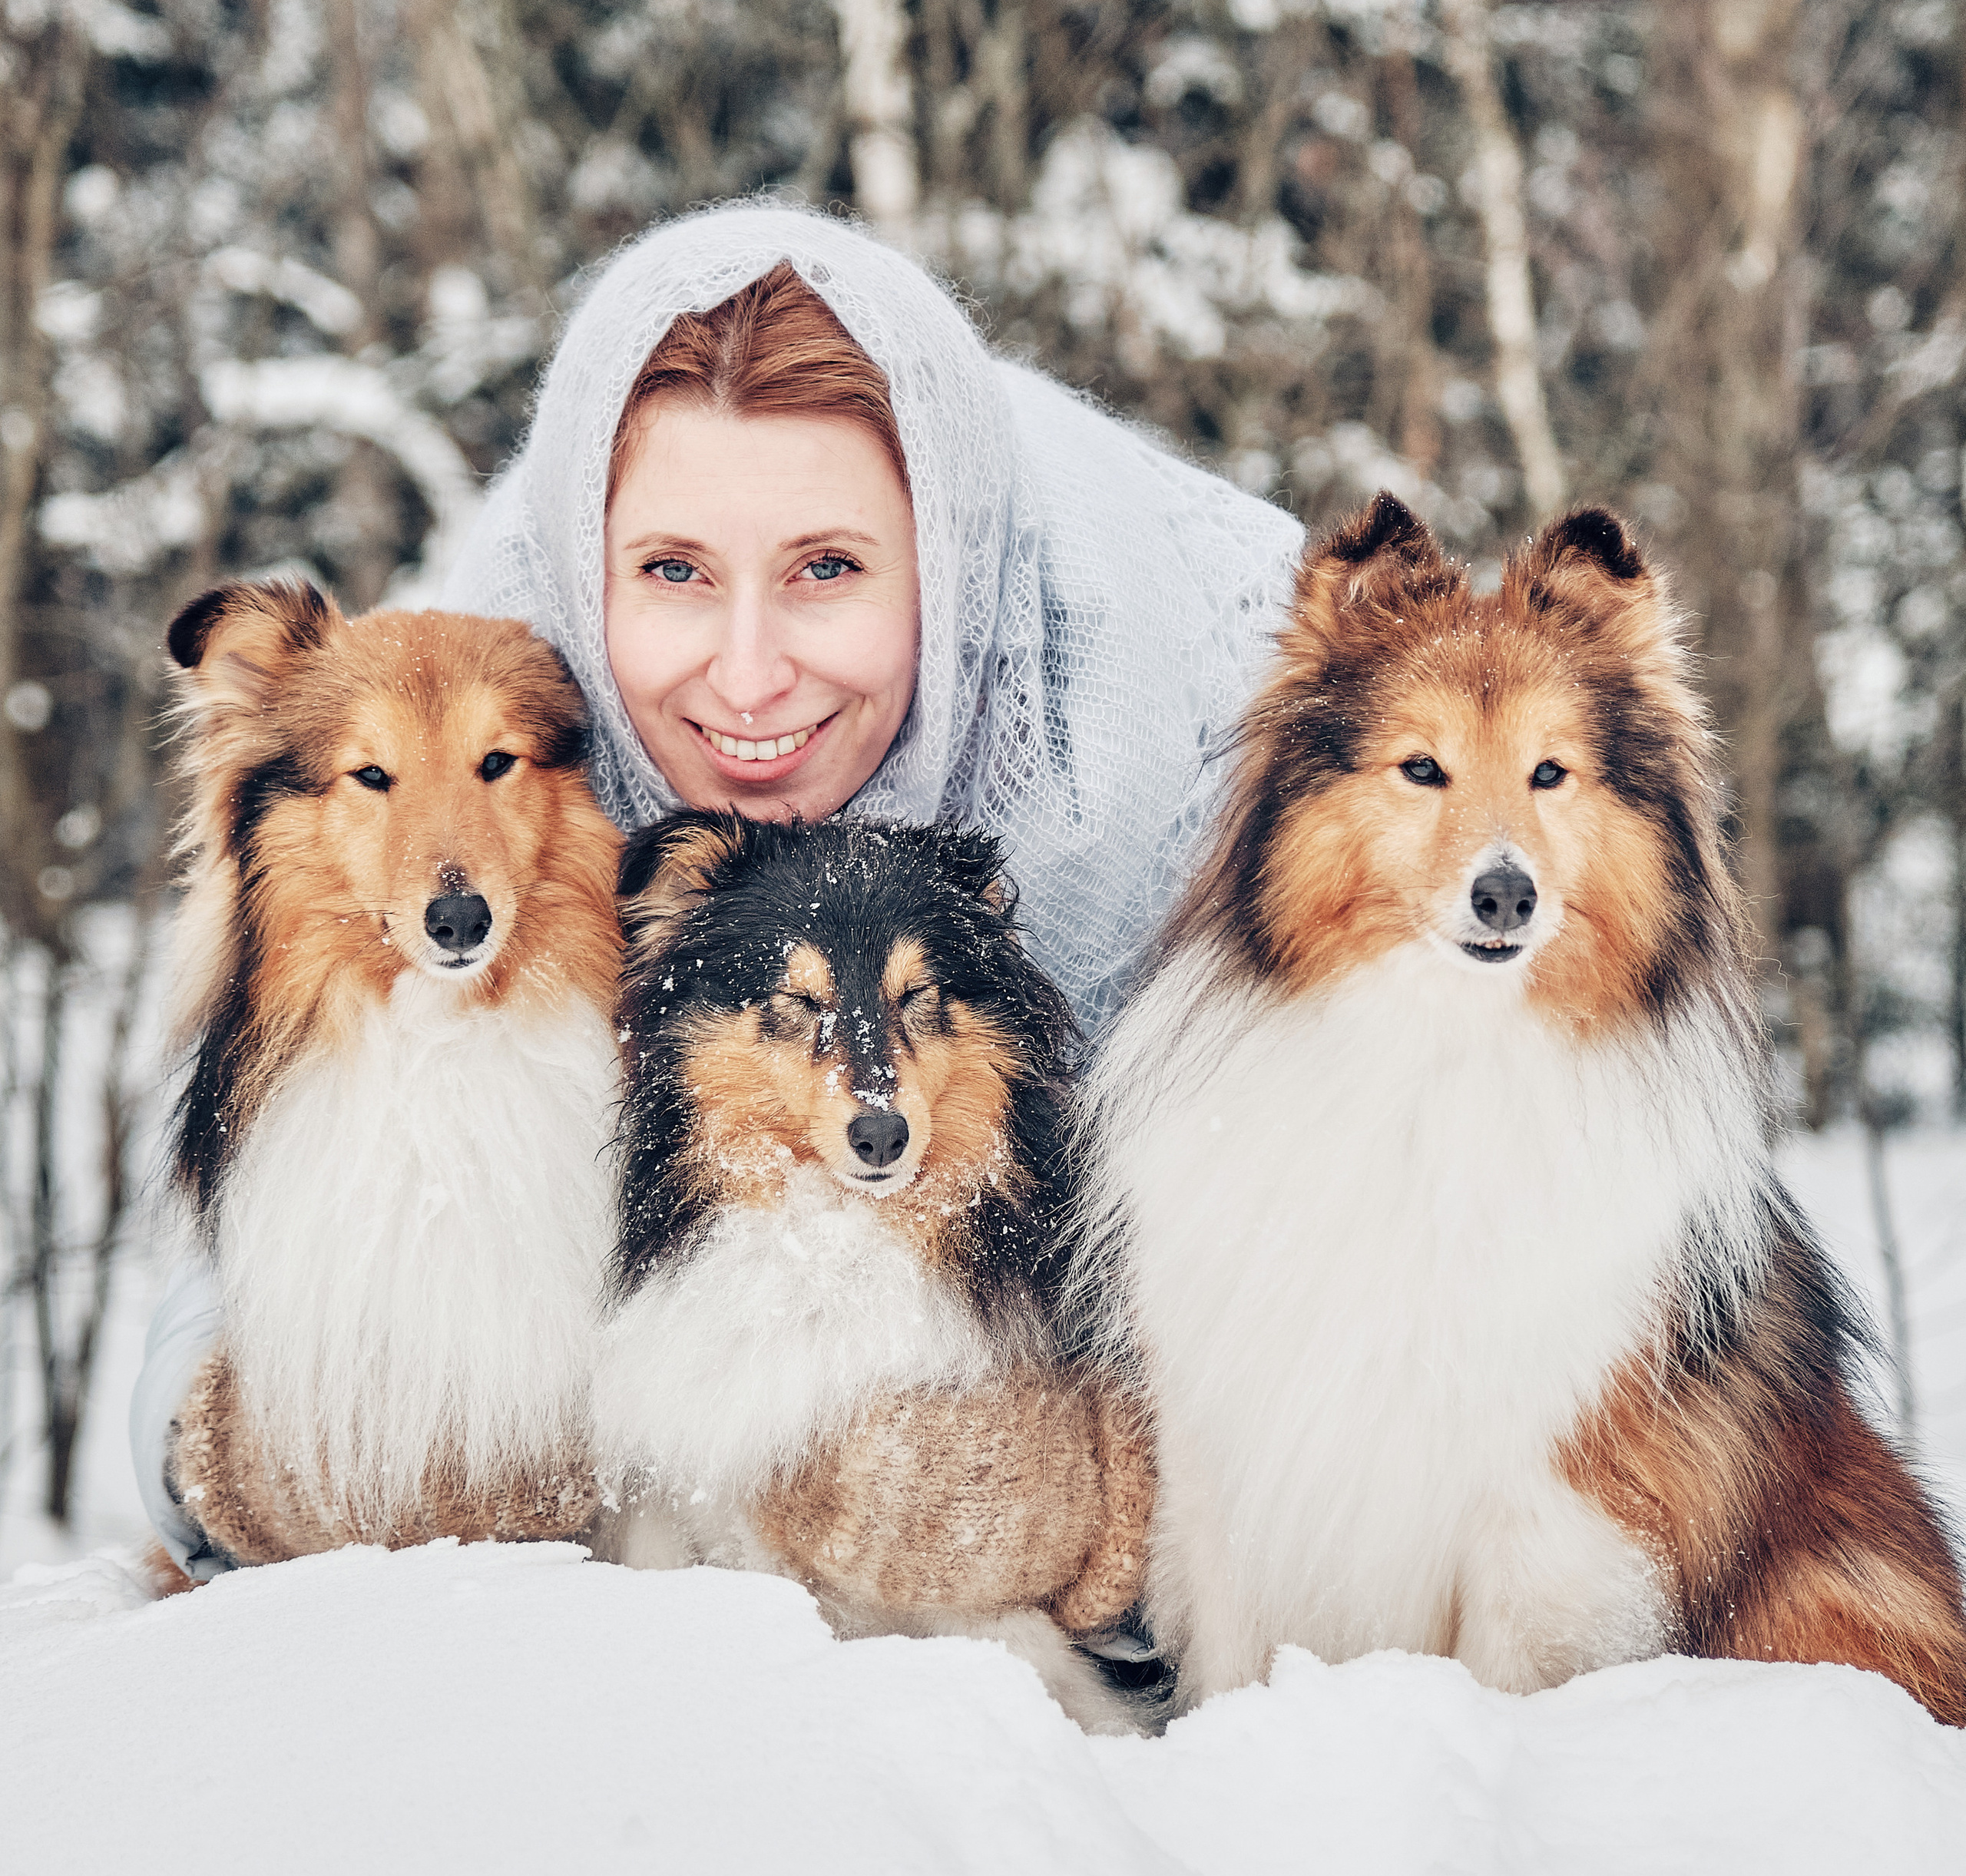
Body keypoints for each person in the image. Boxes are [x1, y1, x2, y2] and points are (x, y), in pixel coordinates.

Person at [133, 200, 1302, 1574]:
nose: (749, 679)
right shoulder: (498, 730)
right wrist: (226, 1446)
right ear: (586, 576)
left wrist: (1082, 1484)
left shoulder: (1188, 786)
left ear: (959, 572)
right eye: (675, 572)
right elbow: (276, 1176)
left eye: (829, 569)